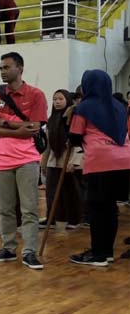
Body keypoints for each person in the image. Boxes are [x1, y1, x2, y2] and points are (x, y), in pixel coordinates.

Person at [0, 52, 48, 270]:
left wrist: (6, 123)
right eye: (1, 68)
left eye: (6, 67)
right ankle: (8, 247)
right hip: (2, 160)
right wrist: (16, 129)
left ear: (19, 68)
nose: (2, 71)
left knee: (29, 209)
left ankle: (29, 252)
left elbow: (34, 127)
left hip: (28, 159)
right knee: (6, 209)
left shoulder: (36, 94)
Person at [68, 70, 130, 266]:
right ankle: (108, 252)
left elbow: (75, 136)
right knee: (110, 208)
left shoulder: (84, 107)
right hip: (124, 161)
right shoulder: (120, 106)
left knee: (96, 209)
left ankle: (98, 254)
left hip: (100, 162)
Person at [40, 89, 83, 230]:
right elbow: (47, 145)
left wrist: (75, 161)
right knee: (51, 193)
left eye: (60, 99)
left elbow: (79, 142)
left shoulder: (73, 118)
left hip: (68, 160)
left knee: (70, 192)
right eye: (55, 99)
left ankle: (74, 219)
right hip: (54, 160)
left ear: (67, 100)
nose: (57, 102)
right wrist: (44, 163)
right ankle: (52, 218)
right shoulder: (50, 121)